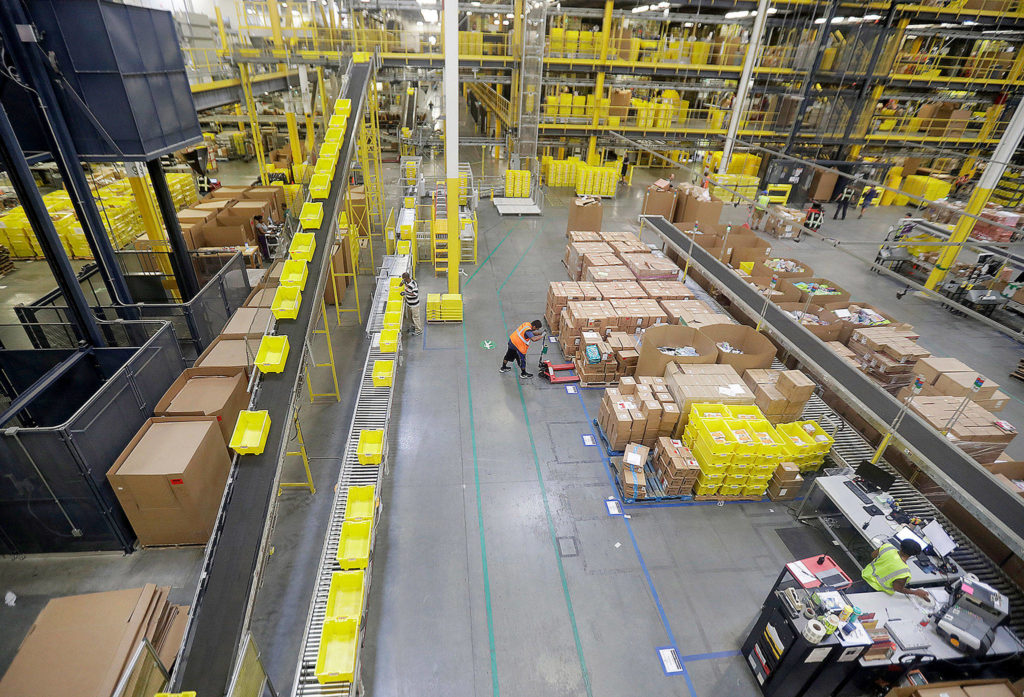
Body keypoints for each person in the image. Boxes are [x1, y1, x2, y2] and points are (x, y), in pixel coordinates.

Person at [860, 538, 932, 600]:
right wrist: (915, 592)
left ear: (900, 546)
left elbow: (873, 555)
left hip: (863, 577)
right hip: (875, 591)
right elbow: (897, 588)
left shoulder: (887, 547)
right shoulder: (904, 572)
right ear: (913, 555)